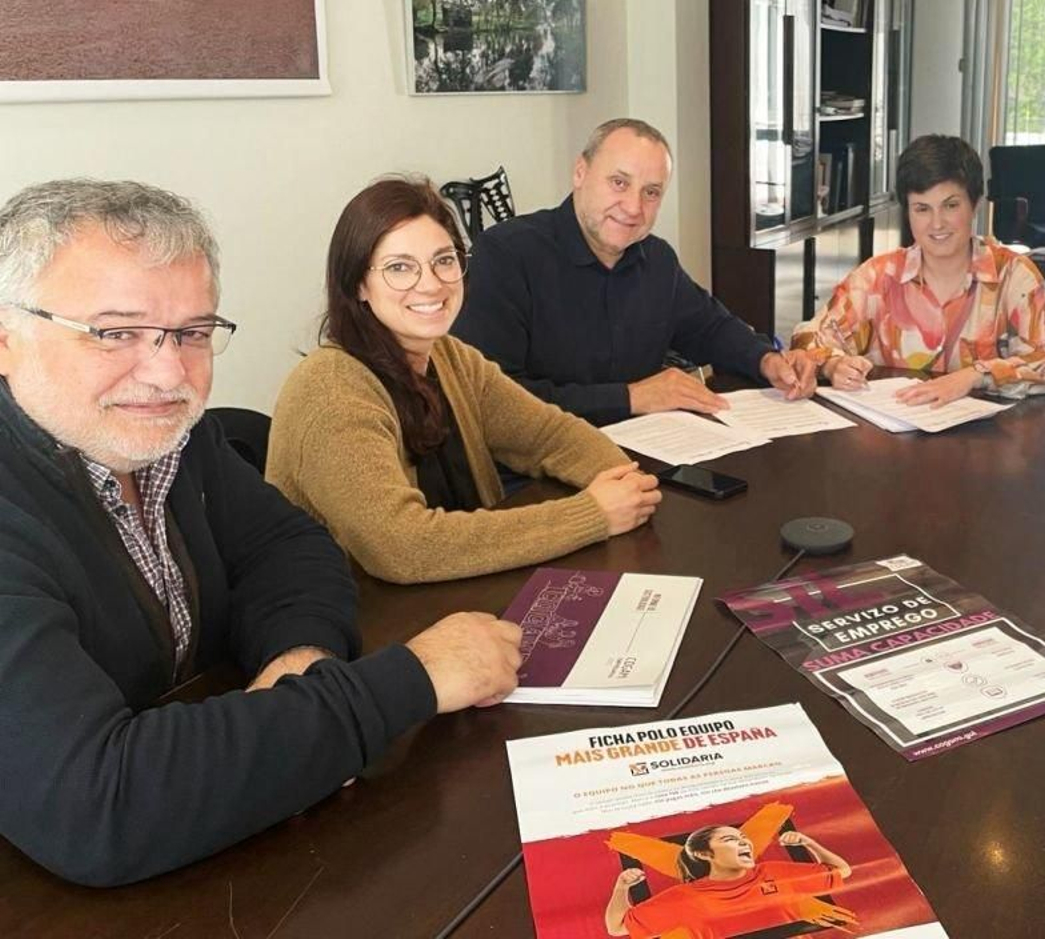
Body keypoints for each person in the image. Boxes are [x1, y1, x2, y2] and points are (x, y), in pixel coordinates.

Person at [0, 179, 525, 887]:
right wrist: (415, 678)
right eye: (115, 331)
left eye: (191, 332)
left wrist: (298, 657)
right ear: (8, 338)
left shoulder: (180, 444)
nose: (165, 372)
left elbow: (292, 547)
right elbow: (99, 804)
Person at [266, 178, 660, 584]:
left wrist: (622, 481)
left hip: (457, 594)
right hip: (364, 624)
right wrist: (592, 515)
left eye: (444, 259)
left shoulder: (449, 357)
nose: (432, 283)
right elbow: (403, 548)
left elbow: (548, 434)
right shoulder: (331, 390)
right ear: (358, 284)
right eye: (400, 267)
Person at [452, 117, 817, 426]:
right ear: (580, 172)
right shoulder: (506, 254)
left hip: (642, 450)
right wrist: (629, 398)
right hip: (535, 470)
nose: (633, 207)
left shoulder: (656, 258)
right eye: (619, 183)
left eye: (651, 192)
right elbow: (492, 400)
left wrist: (767, 360)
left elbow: (710, 328)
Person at [791, 134, 1045, 407]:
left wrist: (976, 375)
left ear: (975, 206)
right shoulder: (878, 275)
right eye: (922, 209)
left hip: (984, 442)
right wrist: (833, 364)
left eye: (950, 206)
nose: (937, 224)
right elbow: (808, 337)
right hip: (892, 439)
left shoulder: (1015, 276)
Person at [605, 825, 854, 939]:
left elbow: (841, 871)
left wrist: (807, 842)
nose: (744, 842)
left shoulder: (774, 872)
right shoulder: (685, 897)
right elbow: (616, 928)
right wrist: (621, 887)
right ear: (703, 854)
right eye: (730, 839)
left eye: (744, 838)